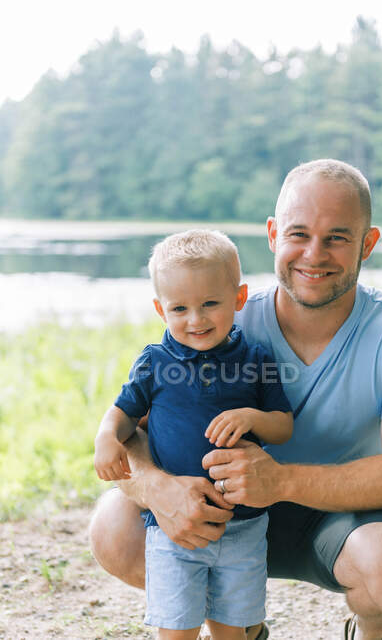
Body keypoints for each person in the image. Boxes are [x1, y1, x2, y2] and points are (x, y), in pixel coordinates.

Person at [90, 160, 382, 640]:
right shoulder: (216, 319)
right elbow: (135, 428)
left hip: (344, 520)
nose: (315, 254)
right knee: (114, 527)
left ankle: (371, 627)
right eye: (299, 234)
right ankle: (238, 621)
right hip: (224, 515)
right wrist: (157, 488)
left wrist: (281, 480)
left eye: (337, 236)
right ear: (273, 235)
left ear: (368, 244)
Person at [93, 229, 293, 640]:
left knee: (230, 630)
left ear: (239, 298)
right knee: (176, 629)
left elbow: (283, 425)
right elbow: (123, 414)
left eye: (210, 304)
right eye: (180, 308)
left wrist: (252, 416)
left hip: (243, 524)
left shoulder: (256, 359)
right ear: (160, 309)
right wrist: (105, 438)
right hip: (172, 528)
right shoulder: (155, 361)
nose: (196, 319)